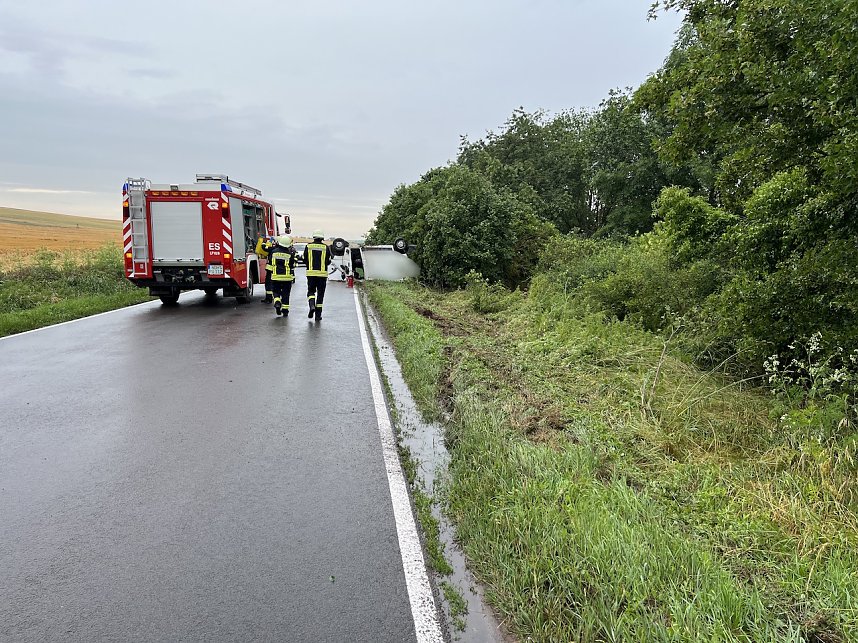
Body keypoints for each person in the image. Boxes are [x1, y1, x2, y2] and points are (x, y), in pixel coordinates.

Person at [303, 229, 331, 320]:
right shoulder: (326, 247)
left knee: (311, 291)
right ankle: (318, 316)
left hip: (311, 274)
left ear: (314, 237)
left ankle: (312, 305)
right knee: (320, 294)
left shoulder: (308, 246)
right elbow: (328, 261)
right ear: (322, 238)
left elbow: (304, 259)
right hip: (322, 275)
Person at [269, 235, 296, 317]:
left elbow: (270, 261)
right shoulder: (289, 254)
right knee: (286, 294)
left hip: (276, 276)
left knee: (276, 291)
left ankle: (277, 302)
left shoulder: (274, 252)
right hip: (287, 278)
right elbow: (292, 265)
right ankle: (285, 310)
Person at [255, 234, 276, 304]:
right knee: (275, 285)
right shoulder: (283, 251)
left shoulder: (272, 249)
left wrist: (263, 241)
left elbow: (264, 247)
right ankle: (274, 298)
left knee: (269, 284)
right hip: (278, 271)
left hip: (271, 270)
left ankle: (269, 298)